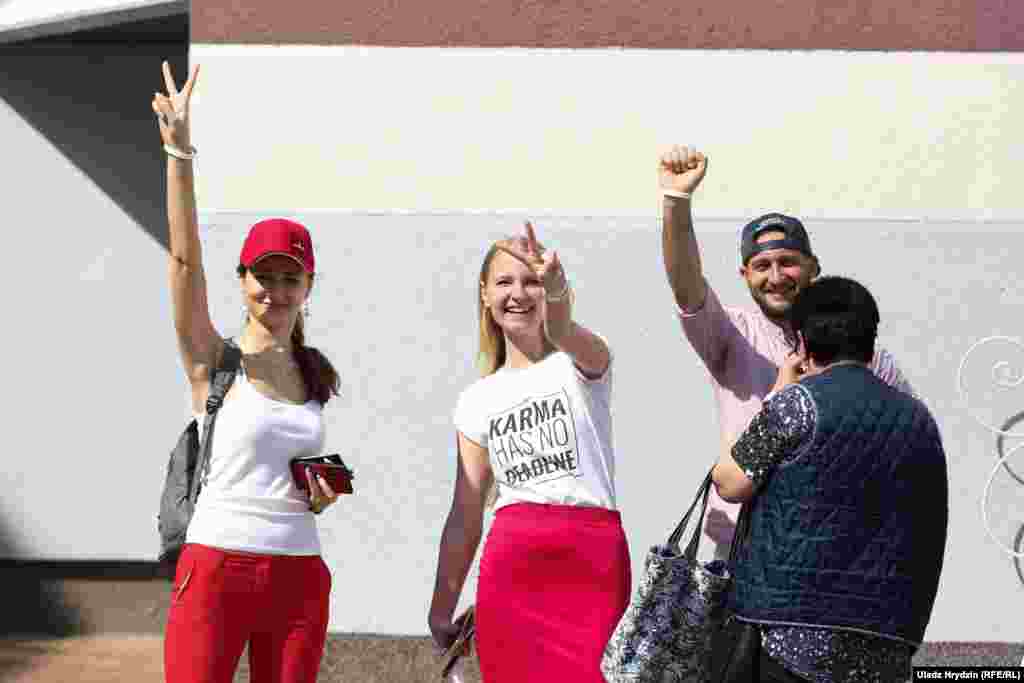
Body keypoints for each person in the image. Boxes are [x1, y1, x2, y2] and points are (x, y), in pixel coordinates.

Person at [154, 62, 342, 683]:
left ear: (307, 287)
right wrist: (180, 154)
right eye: (264, 276)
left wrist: (318, 495)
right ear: (242, 282)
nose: (276, 290)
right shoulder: (214, 358)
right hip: (215, 566)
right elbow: (184, 264)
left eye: (290, 278)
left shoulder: (314, 375)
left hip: (299, 573)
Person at [658, 145, 915, 558]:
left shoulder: (862, 351)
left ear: (813, 267)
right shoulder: (731, 334)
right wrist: (676, 201)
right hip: (744, 549)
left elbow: (909, 445)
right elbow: (686, 284)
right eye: (762, 265)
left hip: (831, 552)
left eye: (788, 262)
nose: (776, 277)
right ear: (745, 274)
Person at [712, 276, 948, 682]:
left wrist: (779, 390)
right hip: (884, 640)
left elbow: (730, 483)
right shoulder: (919, 420)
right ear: (871, 342)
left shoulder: (797, 405)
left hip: (788, 637)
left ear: (802, 342)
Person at [428, 223, 631, 682]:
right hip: (514, 561)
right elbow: (466, 509)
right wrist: (441, 606)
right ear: (484, 294)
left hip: (591, 558)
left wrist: (558, 293)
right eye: (504, 282)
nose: (518, 293)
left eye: (531, 281)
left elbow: (563, 328)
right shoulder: (477, 399)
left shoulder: (583, 361)